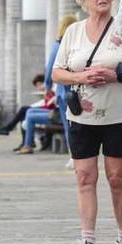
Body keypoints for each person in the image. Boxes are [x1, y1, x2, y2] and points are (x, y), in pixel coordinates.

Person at [52, 0, 122, 244]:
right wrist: (81, 76)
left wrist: (115, 75)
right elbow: (57, 72)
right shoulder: (73, 32)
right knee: (85, 177)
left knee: (117, 178)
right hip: (82, 116)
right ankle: (87, 241)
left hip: (119, 113)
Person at [44, 14, 79, 166]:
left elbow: (50, 69)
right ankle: (78, 154)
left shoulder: (58, 45)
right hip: (78, 91)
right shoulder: (78, 44)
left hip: (64, 93)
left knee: (68, 125)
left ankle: (74, 156)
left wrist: (47, 87)